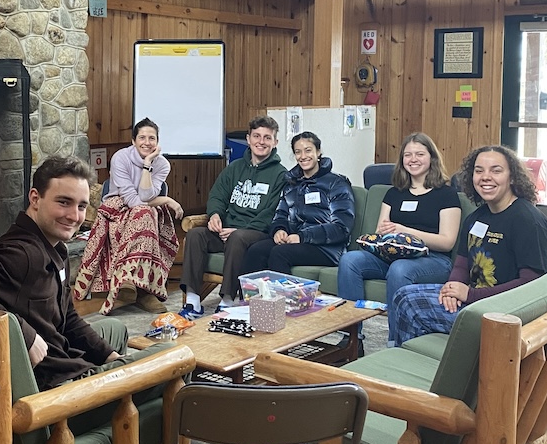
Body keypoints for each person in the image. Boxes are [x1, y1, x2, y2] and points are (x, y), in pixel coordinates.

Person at [0, 156, 131, 391]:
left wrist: (109, 356)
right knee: (170, 354)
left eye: (81, 206)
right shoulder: (22, 253)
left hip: (64, 359)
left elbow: (68, 317)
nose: (75, 216)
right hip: (59, 387)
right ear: (35, 198)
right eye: (64, 202)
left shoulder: (55, 248)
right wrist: (22, 333)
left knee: (117, 329)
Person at [391, 144, 547, 347]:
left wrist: (470, 294)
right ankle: (412, 357)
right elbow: (462, 263)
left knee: (410, 305)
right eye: (479, 171)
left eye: (496, 170)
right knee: (403, 294)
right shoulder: (476, 218)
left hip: (503, 315)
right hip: (473, 302)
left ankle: (403, 362)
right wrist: (451, 289)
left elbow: (532, 284)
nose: (486, 177)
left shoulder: (528, 221)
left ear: (512, 177)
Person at [337, 132, 462, 341]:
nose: (413, 159)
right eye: (408, 155)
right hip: (392, 254)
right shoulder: (394, 193)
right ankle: (351, 336)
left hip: (433, 259)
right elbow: (381, 232)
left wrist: (405, 230)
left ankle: (396, 340)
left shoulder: (446, 194)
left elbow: (446, 241)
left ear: (432, 157)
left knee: (400, 269)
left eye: (419, 154)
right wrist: (386, 234)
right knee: (350, 260)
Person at [72, 117, 184, 314]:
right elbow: (132, 199)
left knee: (145, 214)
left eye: (152, 138)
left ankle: (136, 285)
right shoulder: (120, 158)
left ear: (157, 142)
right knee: (144, 214)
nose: (147, 142)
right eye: (142, 137)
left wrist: (148, 164)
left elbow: (145, 196)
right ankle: (138, 286)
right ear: (133, 141)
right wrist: (167, 200)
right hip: (117, 206)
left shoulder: (162, 164)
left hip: (145, 209)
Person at [179, 115, 287, 318]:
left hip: (256, 234)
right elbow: (217, 195)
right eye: (256, 136)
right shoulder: (234, 168)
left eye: (267, 137)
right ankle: (193, 301)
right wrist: (215, 215)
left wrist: (240, 230)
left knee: (237, 238)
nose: (261, 142)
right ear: (248, 139)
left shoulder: (281, 175)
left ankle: (228, 300)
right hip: (225, 230)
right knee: (195, 235)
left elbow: (272, 212)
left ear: (275, 142)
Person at [242, 131, 355, 275]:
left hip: (327, 248)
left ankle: (284, 297)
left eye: (308, 150)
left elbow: (341, 228)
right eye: (298, 152)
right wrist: (279, 230)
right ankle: (250, 297)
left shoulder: (337, 184)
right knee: (256, 250)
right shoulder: (291, 185)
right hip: (295, 241)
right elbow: (280, 215)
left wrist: (302, 236)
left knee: (280, 253)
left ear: (318, 152)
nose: (303, 156)